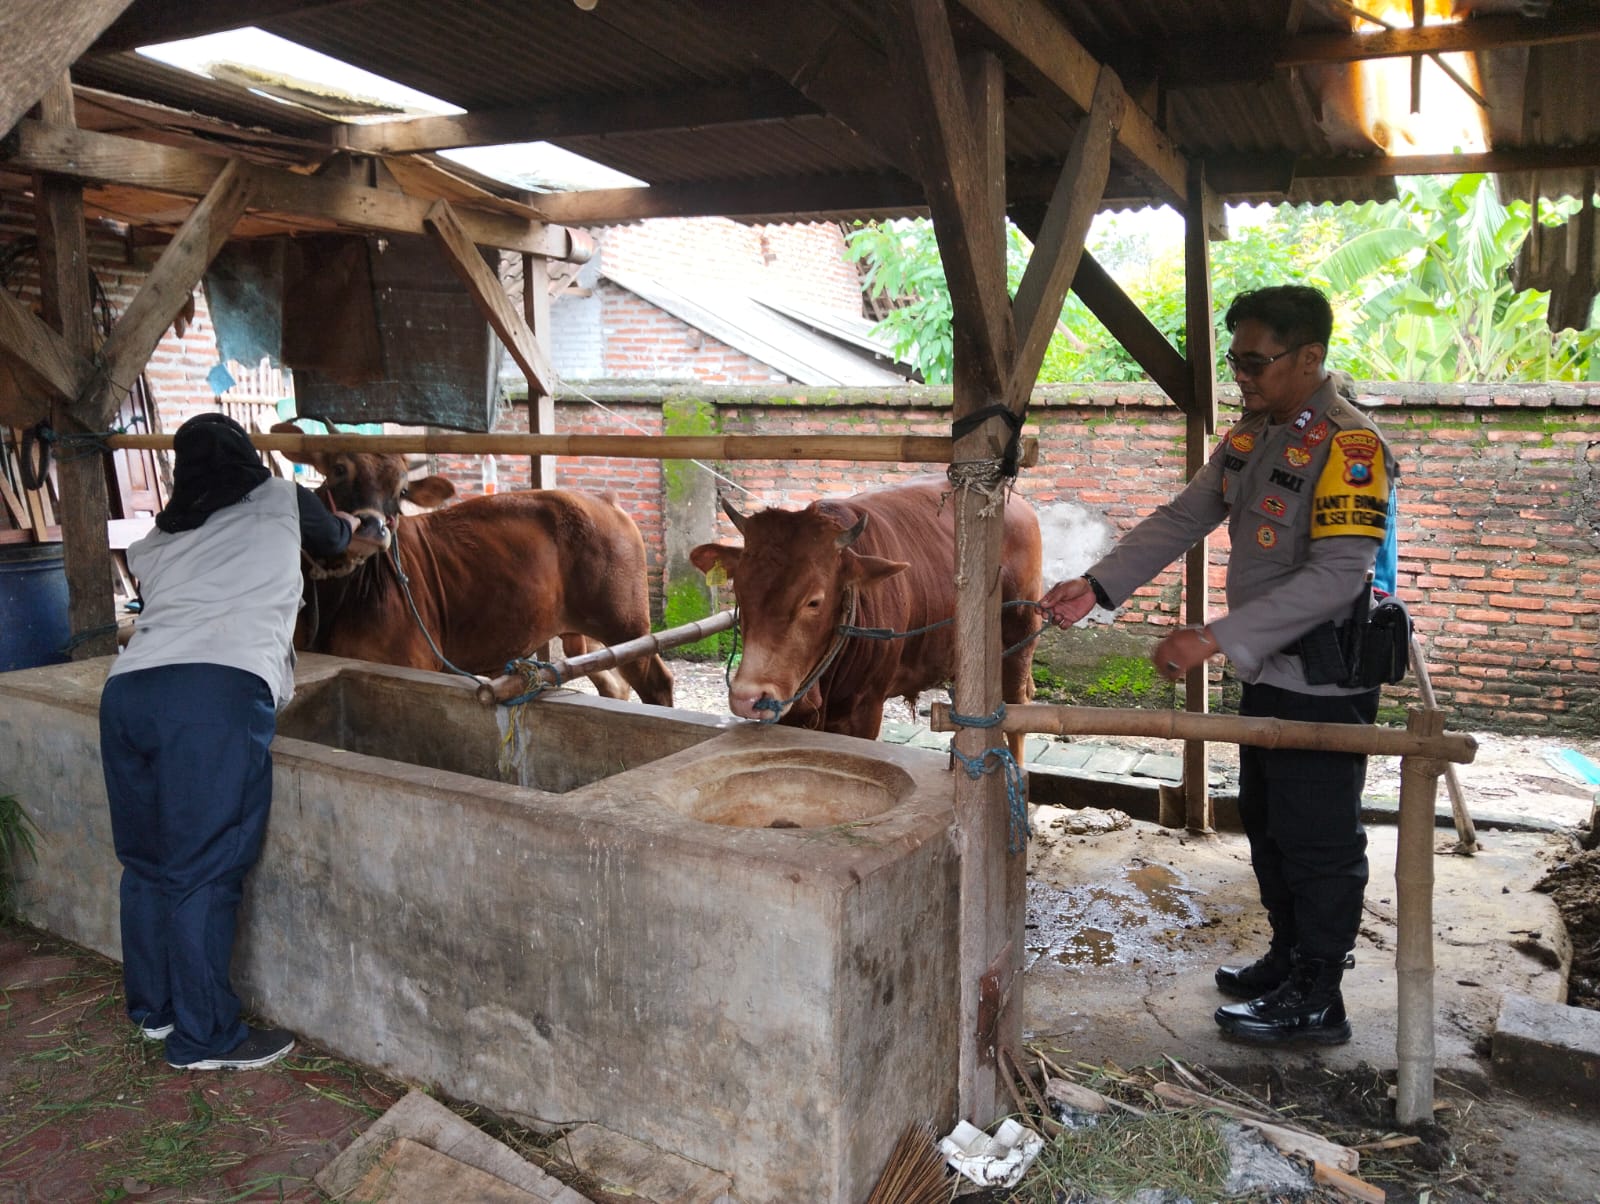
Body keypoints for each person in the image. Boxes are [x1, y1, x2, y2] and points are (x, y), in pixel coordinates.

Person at [1040, 285, 1399, 1046]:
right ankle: (1287, 955)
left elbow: (1339, 575)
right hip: (1266, 674)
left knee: (1318, 835)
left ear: (1309, 357)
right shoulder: (1251, 437)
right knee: (1267, 822)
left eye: (1256, 362)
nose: (1243, 375)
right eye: (1235, 360)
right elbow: (1185, 515)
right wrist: (1098, 586)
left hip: (1324, 684)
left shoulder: (1349, 446)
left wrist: (1211, 637)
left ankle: (1319, 993)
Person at [99, 412, 386, 1070]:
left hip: (128, 695)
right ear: (250, 459)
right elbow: (338, 536)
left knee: (146, 863)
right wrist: (367, 528)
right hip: (212, 696)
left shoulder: (159, 537)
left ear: (182, 471)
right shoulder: (283, 500)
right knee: (204, 868)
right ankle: (205, 1038)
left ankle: (155, 1010)